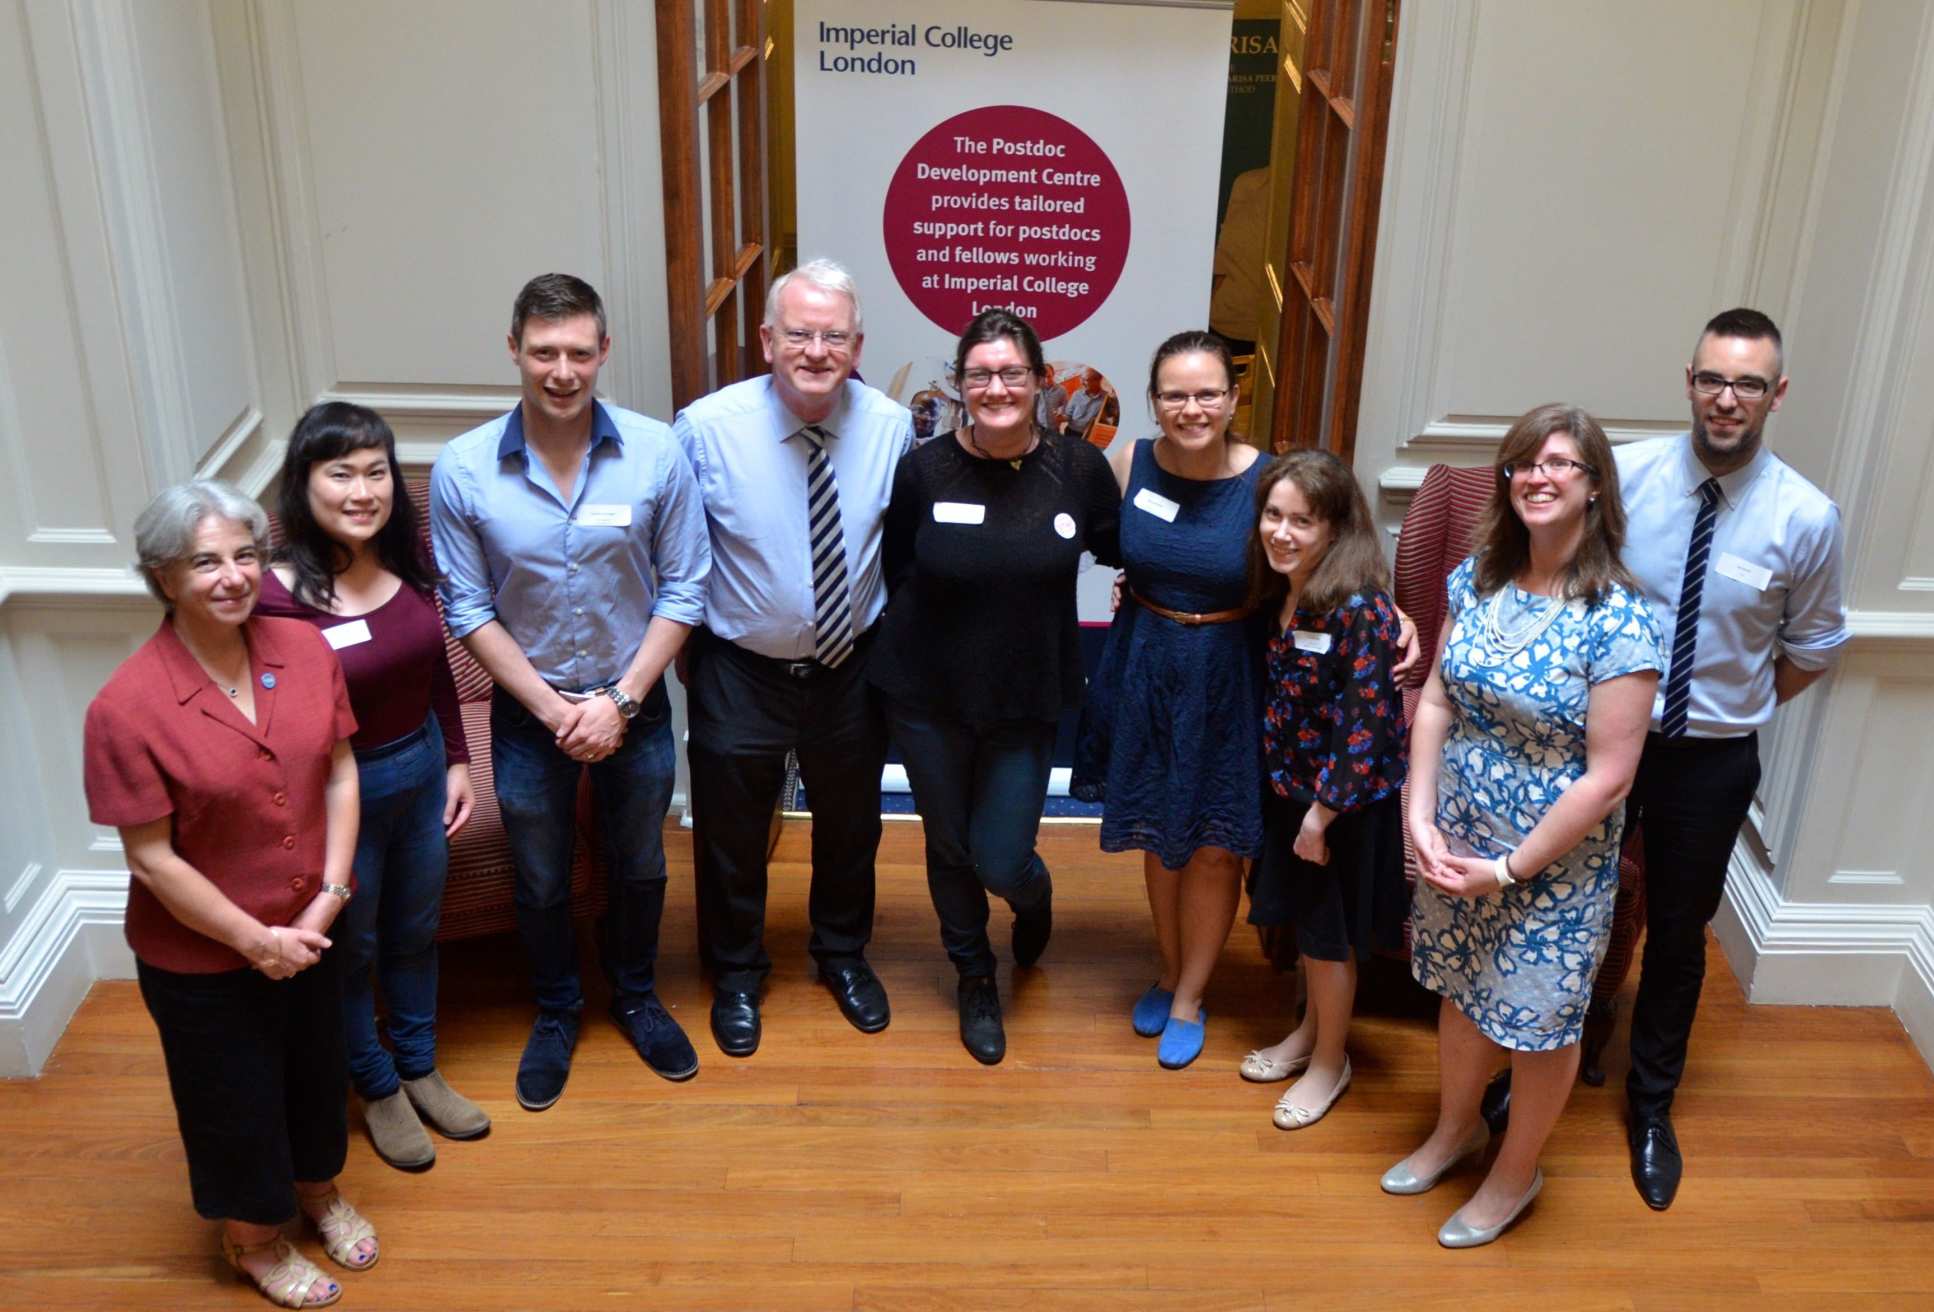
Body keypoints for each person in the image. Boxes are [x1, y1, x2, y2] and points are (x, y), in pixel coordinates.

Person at [83, 481, 375, 1308]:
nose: (233, 576)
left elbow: (342, 773)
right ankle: (252, 1238)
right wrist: (257, 942)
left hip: (314, 928)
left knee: (319, 1075)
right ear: (162, 577)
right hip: (203, 961)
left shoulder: (306, 649)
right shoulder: (124, 708)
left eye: (246, 555)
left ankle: (317, 1192)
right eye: (205, 561)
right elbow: (151, 859)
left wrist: (327, 898)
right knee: (234, 1101)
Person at [430, 273, 711, 1107]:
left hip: (637, 699)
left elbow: (686, 588)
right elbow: (466, 604)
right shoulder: (465, 468)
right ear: (513, 348)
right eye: (544, 352)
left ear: (604, 352)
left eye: (579, 353)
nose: (562, 371)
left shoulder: (658, 452)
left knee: (641, 862)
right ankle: (557, 1011)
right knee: (541, 874)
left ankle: (636, 996)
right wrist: (558, 711)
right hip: (530, 710)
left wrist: (619, 703)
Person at [1393, 404, 1662, 1248]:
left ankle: (1514, 1175)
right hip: (1455, 842)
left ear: (1593, 488)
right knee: (1463, 994)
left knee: (1538, 1023)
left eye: (1560, 464)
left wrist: (1508, 870)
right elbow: (1436, 697)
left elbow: (1610, 777)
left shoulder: (1619, 618)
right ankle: (1454, 1130)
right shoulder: (1475, 577)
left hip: (1550, 869)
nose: (1537, 477)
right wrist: (1419, 814)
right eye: (1522, 463)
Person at [1611, 309, 1846, 1207]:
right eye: (1713, 378)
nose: (1727, 398)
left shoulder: (1805, 516)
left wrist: (1729, 710)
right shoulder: (1625, 478)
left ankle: (1652, 1108)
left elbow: (1813, 646)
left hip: (1710, 765)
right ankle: (1537, 1069)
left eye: (1748, 383)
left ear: (1776, 395)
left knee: (1677, 936)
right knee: (1573, 910)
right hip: (1608, 745)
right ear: (1689, 379)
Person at [868, 308, 1122, 1064]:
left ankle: (1033, 898)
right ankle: (975, 975)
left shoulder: (1078, 470)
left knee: (1001, 856)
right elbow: (894, 567)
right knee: (949, 848)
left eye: (1012, 372)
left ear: (1042, 381)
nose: (996, 387)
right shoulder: (925, 469)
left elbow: (1122, 549)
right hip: (927, 692)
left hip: (1027, 694)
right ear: (959, 385)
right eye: (979, 374)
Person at [674, 259, 910, 1058]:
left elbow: (901, 549)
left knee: (852, 826)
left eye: (833, 335)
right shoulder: (704, 427)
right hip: (741, 665)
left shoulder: (890, 425)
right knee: (731, 833)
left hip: (853, 667)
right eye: (800, 333)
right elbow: (676, 554)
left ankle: (842, 954)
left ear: (857, 343)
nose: (816, 350)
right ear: (769, 339)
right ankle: (736, 972)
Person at [258, 401, 486, 1171]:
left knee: (416, 932)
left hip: (421, 774)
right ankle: (377, 1082)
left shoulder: (406, 553)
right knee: (352, 949)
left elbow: (433, 670)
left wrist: (456, 759)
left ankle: (418, 1065)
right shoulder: (272, 596)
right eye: (341, 473)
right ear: (304, 483)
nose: (363, 491)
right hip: (336, 799)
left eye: (377, 471)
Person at [1071, 331, 1264, 1070]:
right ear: (1154, 401)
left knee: (1215, 848)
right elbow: (1114, 549)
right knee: (1157, 833)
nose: (1193, 408)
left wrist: (1396, 617)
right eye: (1176, 395)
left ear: (1233, 398)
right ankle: (1165, 966)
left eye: (1208, 392)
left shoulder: (1267, 480)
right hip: (1146, 661)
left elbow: (1323, 564)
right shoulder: (1131, 462)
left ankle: (1191, 993)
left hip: (1229, 673)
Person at [1240, 451, 1408, 1126]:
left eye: (1301, 521)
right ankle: (1309, 1035)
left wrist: (1321, 817)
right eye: (1273, 515)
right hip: (1290, 797)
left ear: (1335, 528)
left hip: (1338, 810)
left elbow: (1365, 725)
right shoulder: (1280, 594)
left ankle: (1331, 1064)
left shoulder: (1358, 610)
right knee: (1309, 935)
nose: (1281, 531)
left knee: (1328, 941)